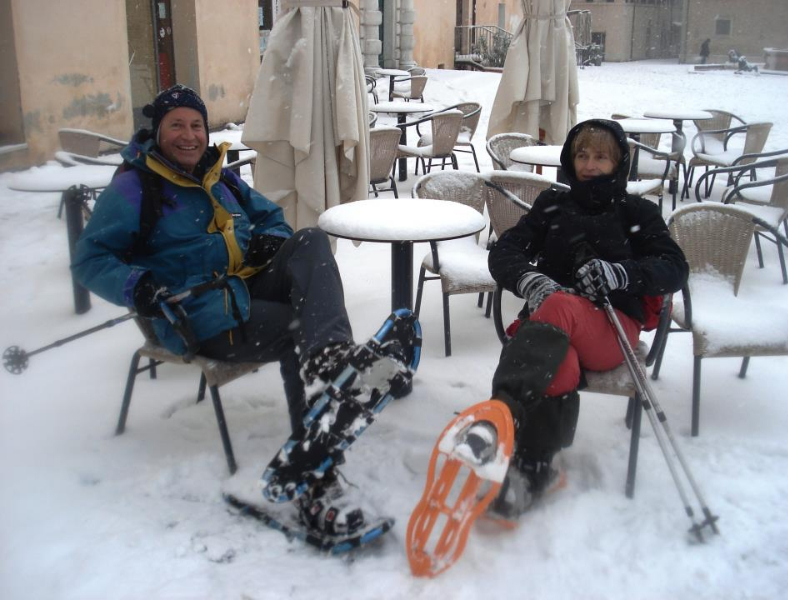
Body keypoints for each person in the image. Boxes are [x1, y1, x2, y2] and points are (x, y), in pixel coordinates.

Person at [71, 84, 411, 539]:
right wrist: (137, 285)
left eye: (197, 125)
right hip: (197, 318)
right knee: (296, 327)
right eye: (177, 125)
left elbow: (271, 216)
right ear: (158, 131)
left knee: (308, 241)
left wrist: (271, 237)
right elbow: (89, 260)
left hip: (245, 291)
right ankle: (316, 479)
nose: (189, 135)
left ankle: (329, 355)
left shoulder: (220, 175)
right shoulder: (137, 186)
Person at [464, 119, 689, 519]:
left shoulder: (637, 212)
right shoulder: (553, 204)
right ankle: (535, 467)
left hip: (610, 329)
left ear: (619, 162)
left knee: (563, 306)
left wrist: (622, 274)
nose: (589, 164)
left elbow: (674, 267)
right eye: (582, 154)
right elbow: (505, 252)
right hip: (553, 334)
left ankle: (499, 420)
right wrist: (527, 278)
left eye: (601, 156)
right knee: (557, 360)